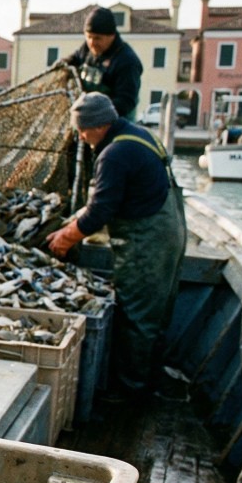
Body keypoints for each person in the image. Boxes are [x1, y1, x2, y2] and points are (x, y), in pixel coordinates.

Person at [45, 92, 186, 401]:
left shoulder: (114, 154)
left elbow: (99, 213)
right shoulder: (139, 135)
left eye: (83, 129)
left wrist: (64, 238)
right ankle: (152, 381)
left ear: (98, 124)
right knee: (155, 314)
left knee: (137, 317)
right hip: (170, 235)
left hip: (147, 245)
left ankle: (131, 393)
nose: (82, 137)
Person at [58, 6, 144, 120]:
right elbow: (74, 59)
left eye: (98, 38)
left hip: (115, 124)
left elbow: (126, 102)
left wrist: (95, 112)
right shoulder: (87, 48)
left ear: (112, 36)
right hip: (88, 120)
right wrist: (60, 66)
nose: (92, 42)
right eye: (89, 37)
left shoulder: (127, 62)